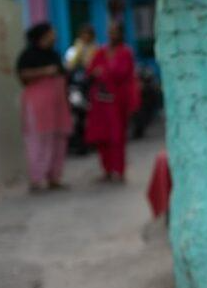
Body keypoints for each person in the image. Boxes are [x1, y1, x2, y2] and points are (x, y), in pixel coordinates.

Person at [15, 22, 73, 192]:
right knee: (38, 140)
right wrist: (45, 72)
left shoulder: (54, 54)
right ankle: (36, 179)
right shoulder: (28, 55)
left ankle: (54, 178)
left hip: (57, 105)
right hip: (37, 105)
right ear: (43, 36)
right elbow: (22, 76)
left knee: (58, 140)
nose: (55, 36)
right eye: (51, 33)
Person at [84, 19, 138, 182]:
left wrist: (103, 72)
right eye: (110, 31)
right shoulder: (101, 51)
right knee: (102, 136)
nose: (111, 34)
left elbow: (122, 73)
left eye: (115, 31)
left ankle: (118, 169)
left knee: (117, 136)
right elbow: (90, 70)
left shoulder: (125, 52)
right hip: (100, 101)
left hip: (117, 101)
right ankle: (106, 169)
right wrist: (96, 73)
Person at [64, 24, 97, 154]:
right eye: (83, 35)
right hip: (77, 87)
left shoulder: (96, 50)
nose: (86, 37)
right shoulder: (73, 50)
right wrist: (79, 51)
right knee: (79, 116)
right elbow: (69, 65)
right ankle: (80, 144)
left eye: (88, 35)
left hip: (91, 86)